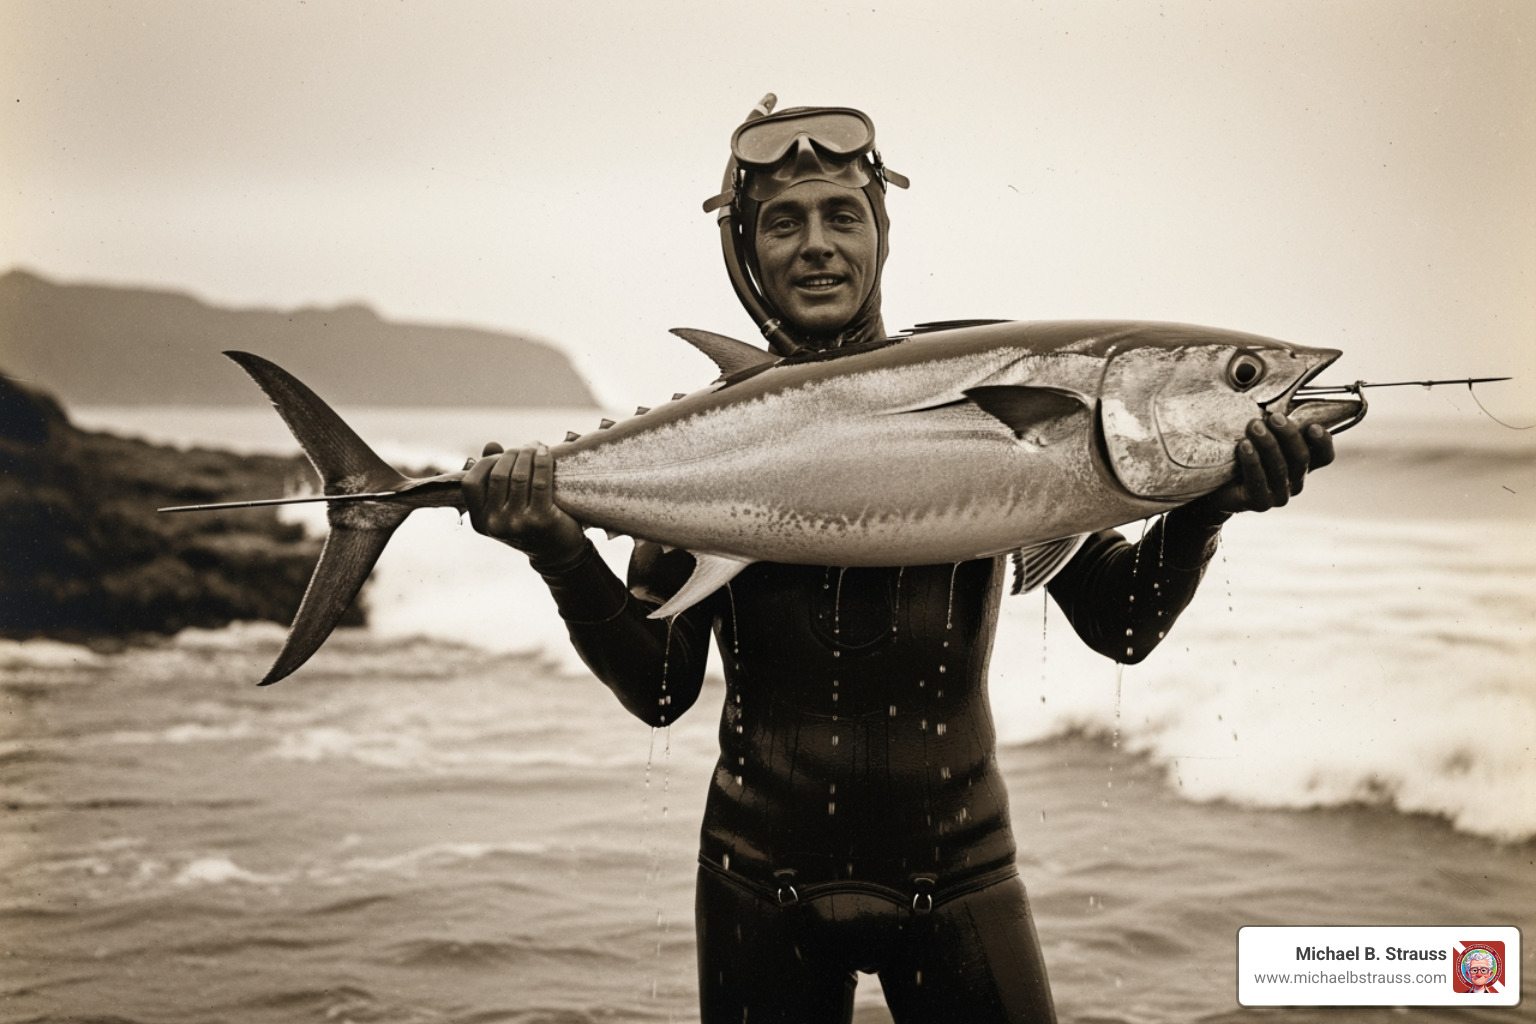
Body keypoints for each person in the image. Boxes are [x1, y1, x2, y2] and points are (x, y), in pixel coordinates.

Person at [462, 99, 1333, 1024]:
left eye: (844, 215)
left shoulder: (999, 397)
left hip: (961, 875)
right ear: (747, 253)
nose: (817, 246)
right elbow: (662, 688)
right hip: (757, 880)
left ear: (882, 234)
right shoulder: (704, 441)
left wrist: (1207, 510)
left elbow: (1120, 627)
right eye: (783, 223)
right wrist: (557, 549)